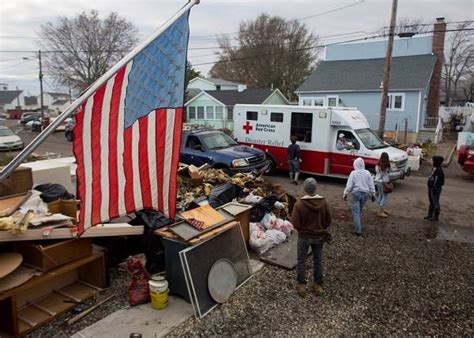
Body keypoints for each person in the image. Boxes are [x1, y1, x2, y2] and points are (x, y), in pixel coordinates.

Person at [291, 178, 331, 297]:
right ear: (315, 188)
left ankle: (301, 285)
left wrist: (301, 229)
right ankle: (318, 285)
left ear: (305, 188)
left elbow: (296, 223)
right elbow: (328, 220)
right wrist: (320, 228)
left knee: (301, 260)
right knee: (318, 260)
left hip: (304, 236)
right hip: (319, 236)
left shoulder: (299, 204)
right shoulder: (324, 203)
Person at [343, 157, 375, 237]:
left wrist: (345, 194)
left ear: (355, 164)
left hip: (356, 193)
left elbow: (349, 185)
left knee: (356, 212)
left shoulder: (353, 173)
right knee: (359, 210)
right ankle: (357, 224)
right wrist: (373, 194)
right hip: (365, 194)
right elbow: (371, 185)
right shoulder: (367, 173)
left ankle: (358, 230)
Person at [424, 156, 445, 221]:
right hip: (431, 187)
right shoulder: (434, 168)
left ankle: (435, 216)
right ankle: (430, 215)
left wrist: (435, 187)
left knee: (435, 202)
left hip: (435, 188)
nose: (431, 161)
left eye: (432, 160)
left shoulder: (439, 171)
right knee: (431, 202)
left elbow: (440, 181)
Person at [375, 152, 390, 218]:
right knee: (384, 196)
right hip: (384, 183)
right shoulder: (387, 165)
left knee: (380, 195)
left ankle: (380, 209)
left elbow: (376, 172)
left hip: (377, 181)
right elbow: (390, 172)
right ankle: (380, 211)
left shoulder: (378, 165)